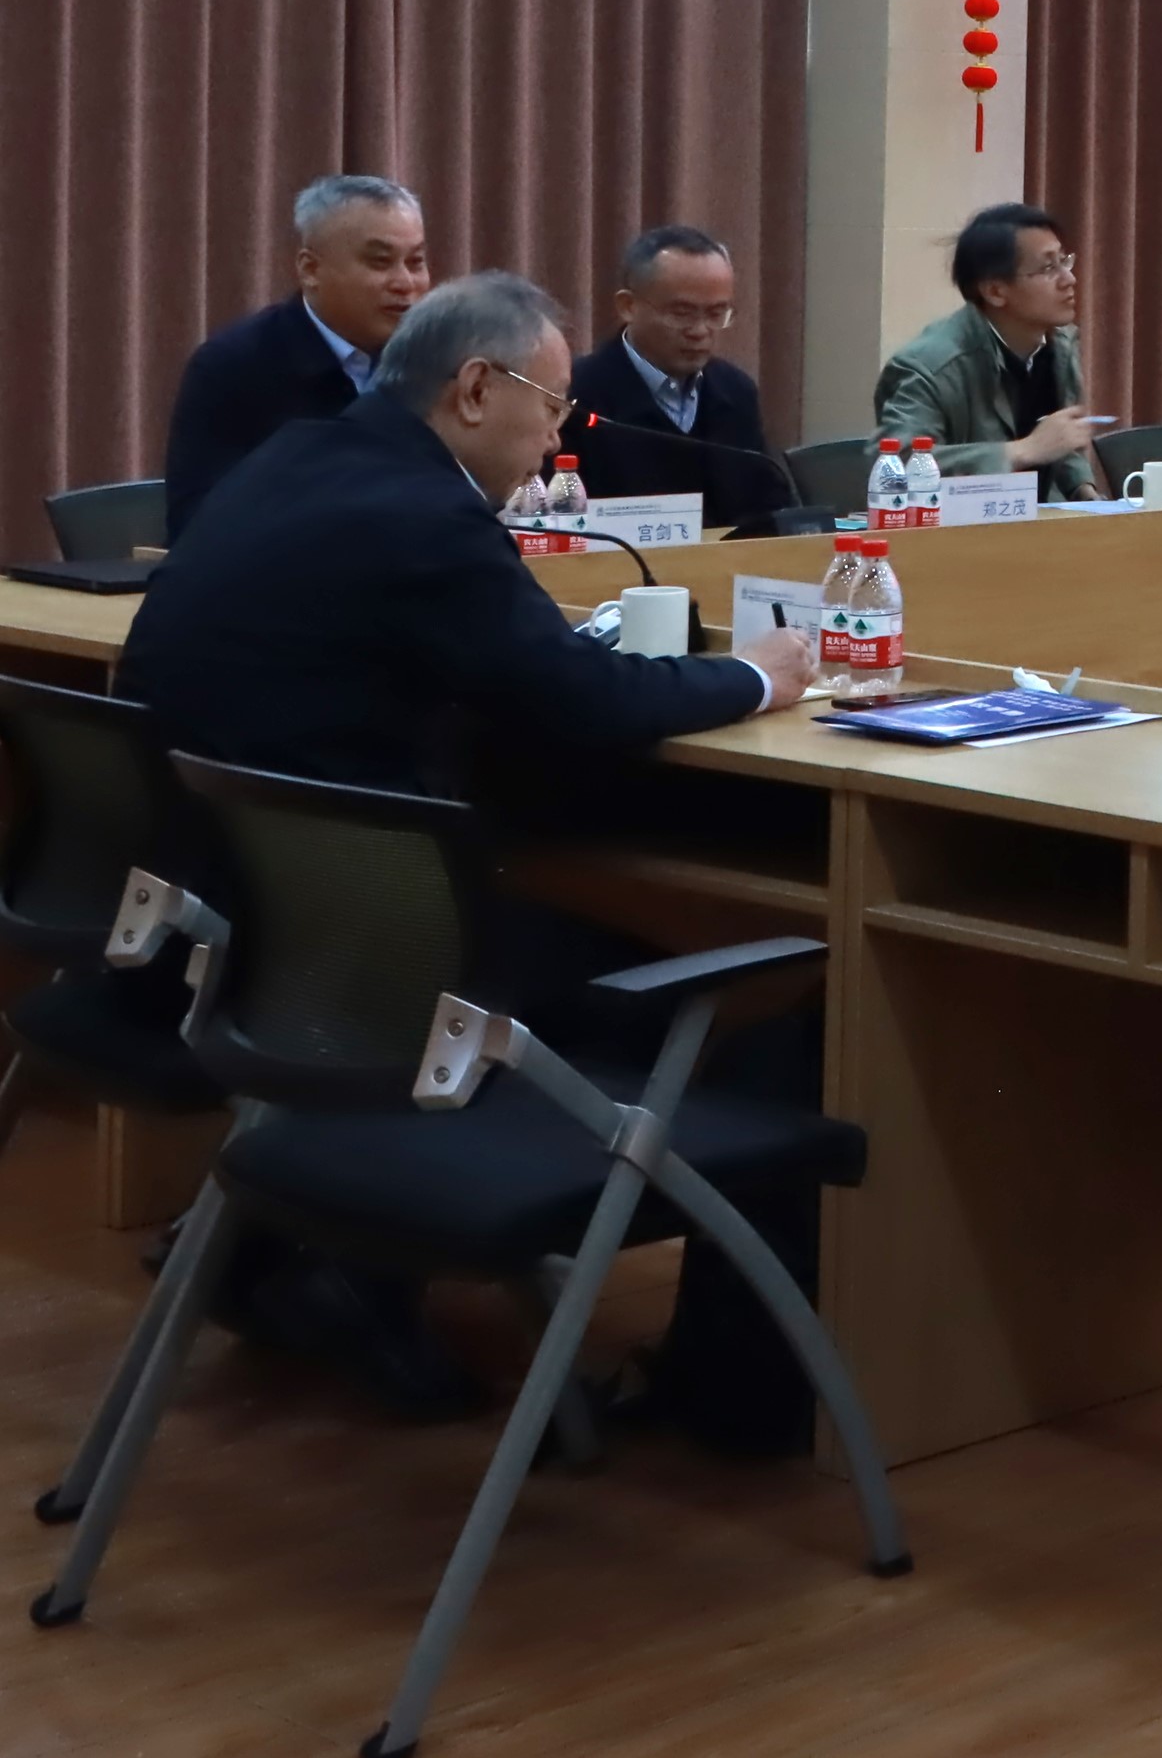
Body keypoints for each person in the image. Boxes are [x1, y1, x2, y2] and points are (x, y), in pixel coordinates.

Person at [122, 274, 826, 1441]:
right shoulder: (427, 520)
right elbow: (579, 700)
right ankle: (731, 1391)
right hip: (379, 958)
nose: (556, 437)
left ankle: (298, 1249)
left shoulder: (301, 456)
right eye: (549, 406)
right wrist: (759, 675)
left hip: (246, 923)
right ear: (472, 390)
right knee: (759, 986)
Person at [162, 174, 432, 540]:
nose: (405, 283)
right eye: (380, 262)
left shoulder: (435, 363)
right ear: (310, 269)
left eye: (415, 262)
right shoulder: (234, 367)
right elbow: (196, 522)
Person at [561, 225, 790, 534]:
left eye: (716, 314)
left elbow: (770, 510)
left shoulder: (736, 392)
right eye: (682, 313)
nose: (700, 330)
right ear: (628, 306)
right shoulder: (576, 395)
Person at [876, 202, 1105, 501]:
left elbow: (1060, 446)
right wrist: (1022, 450)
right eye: (1049, 268)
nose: (1069, 279)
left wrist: (1085, 493)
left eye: (1065, 261)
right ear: (995, 291)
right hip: (956, 525)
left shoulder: (1059, 345)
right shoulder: (930, 365)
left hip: (1034, 520)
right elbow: (899, 467)